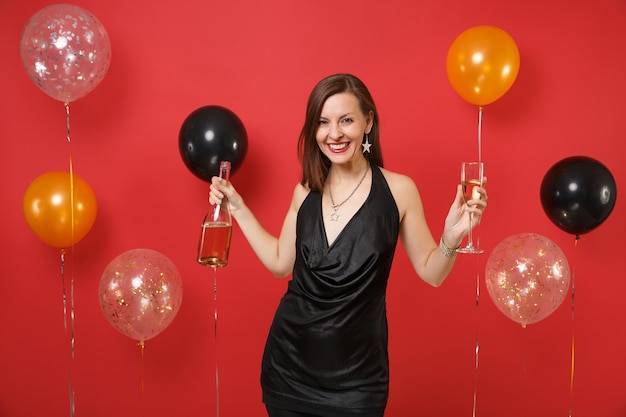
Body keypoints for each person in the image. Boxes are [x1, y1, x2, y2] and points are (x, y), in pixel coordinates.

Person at [209, 73, 487, 417]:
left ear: (367, 122)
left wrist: (452, 236)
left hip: (359, 381)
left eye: (346, 120)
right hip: (288, 369)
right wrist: (238, 208)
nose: (334, 133)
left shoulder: (399, 191)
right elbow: (281, 262)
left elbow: (432, 274)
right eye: (323, 122)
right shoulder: (305, 191)